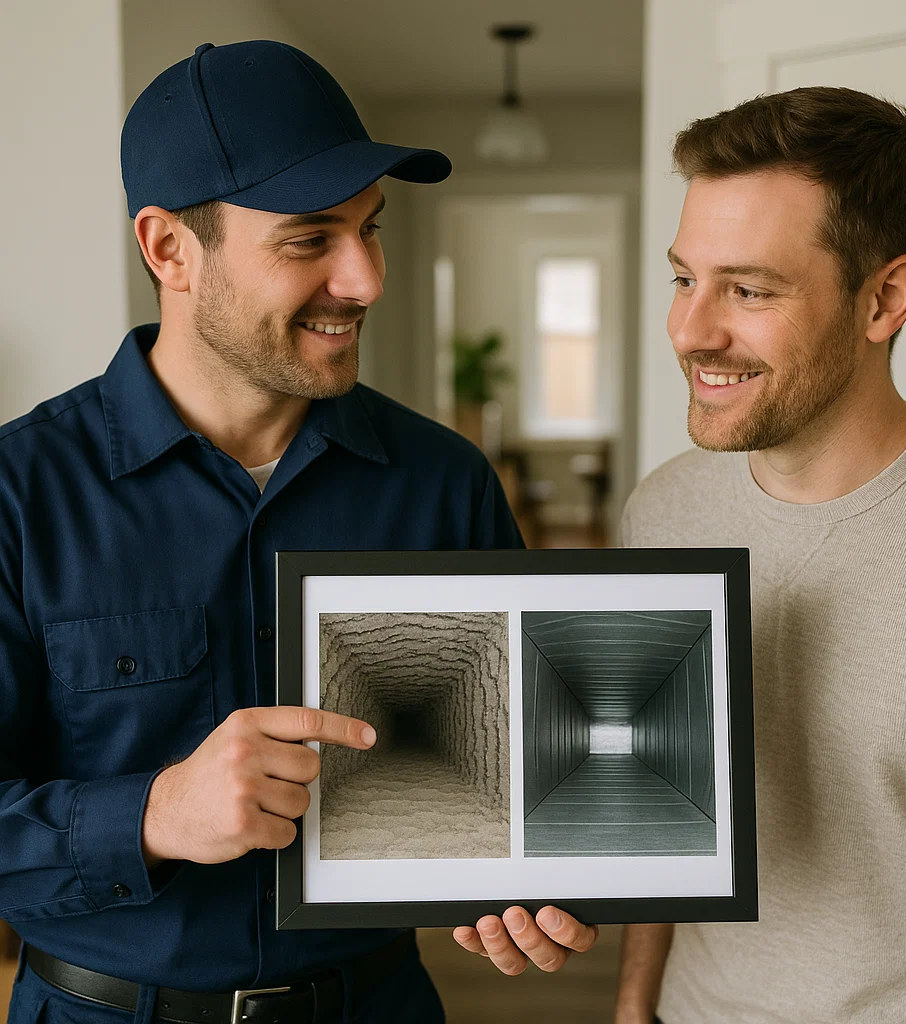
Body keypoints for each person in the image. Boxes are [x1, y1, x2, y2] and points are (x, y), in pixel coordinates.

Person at [0, 39, 596, 1024]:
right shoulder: (19, 494)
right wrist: (151, 814)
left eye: (371, 228)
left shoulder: (444, 485)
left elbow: (518, 776)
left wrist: (531, 868)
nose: (364, 278)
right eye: (309, 238)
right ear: (167, 249)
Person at [615, 86, 906, 1024]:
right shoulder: (665, 511)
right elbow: (661, 811)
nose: (690, 331)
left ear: (887, 297)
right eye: (685, 278)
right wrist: (636, 1001)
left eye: (749, 290)